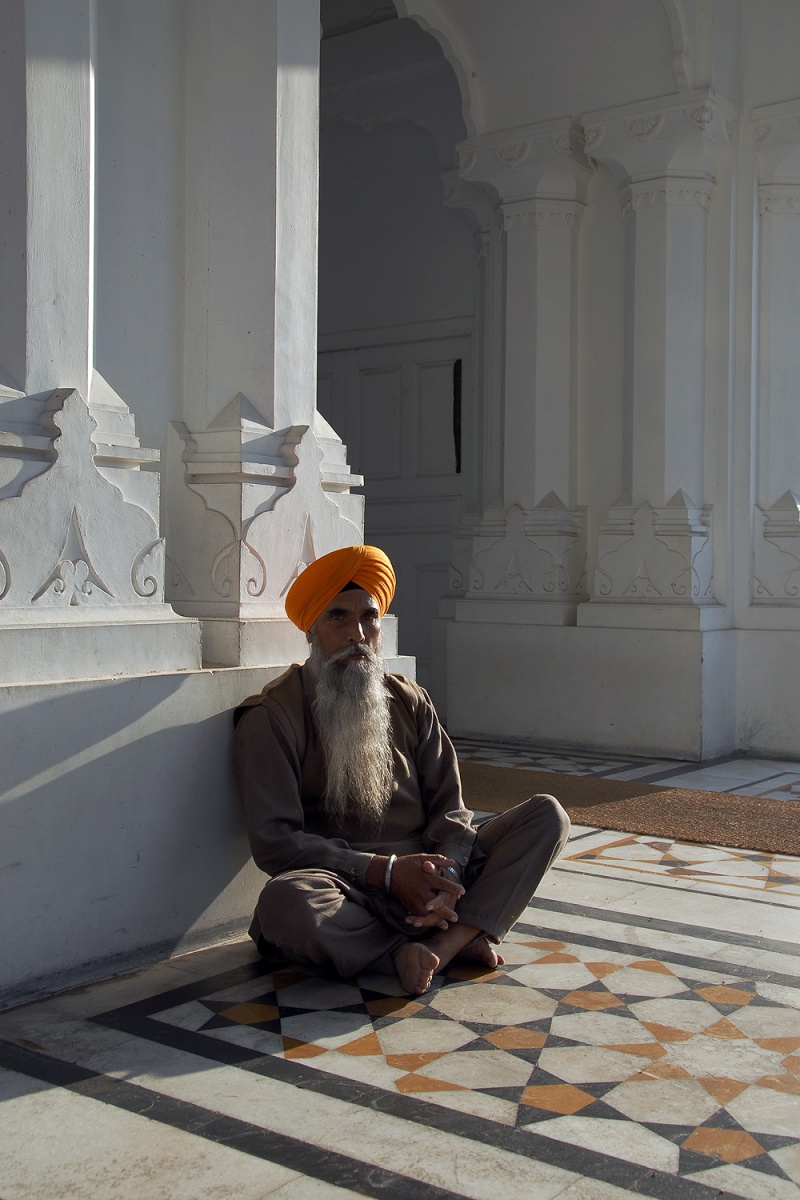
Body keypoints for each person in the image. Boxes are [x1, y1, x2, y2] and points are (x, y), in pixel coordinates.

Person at [233, 545, 570, 996]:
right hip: (347, 887)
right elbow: (275, 846)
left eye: (369, 618)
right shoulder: (272, 717)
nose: (357, 634)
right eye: (338, 617)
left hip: (432, 875)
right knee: (285, 903)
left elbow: (450, 809)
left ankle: (443, 944)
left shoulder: (410, 700)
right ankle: (424, 945)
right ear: (311, 630)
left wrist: (446, 878)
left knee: (547, 816)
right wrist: (386, 873)